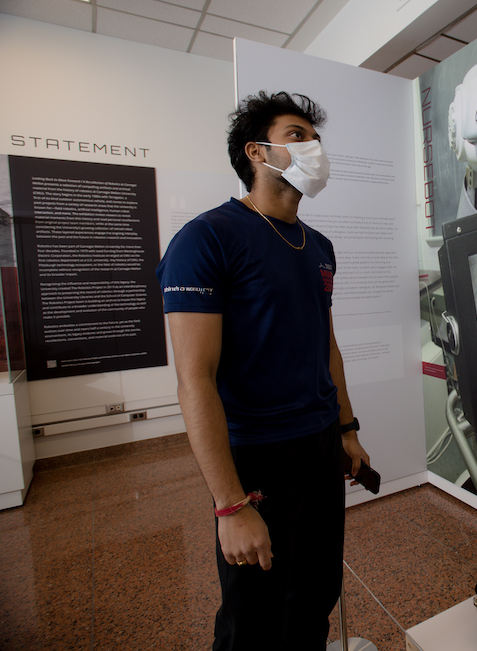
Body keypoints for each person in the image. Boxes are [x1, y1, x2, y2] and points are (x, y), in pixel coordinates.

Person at [156, 91, 369, 651]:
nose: (312, 148)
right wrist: (230, 504)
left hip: (320, 444)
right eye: (297, 135)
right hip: (255, 455)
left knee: (317, 591)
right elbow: (194, 380)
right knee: (254, 612)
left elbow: (327, 346)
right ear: (258, 151)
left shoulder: (317, 245)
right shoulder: (207, 239)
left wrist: (346, 432)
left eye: (314, 138)